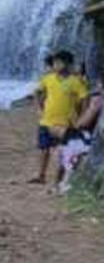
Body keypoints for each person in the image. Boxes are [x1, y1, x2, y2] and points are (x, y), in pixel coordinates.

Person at [32, 49, 88, 185]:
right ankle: (41, 176)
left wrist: (82, 117)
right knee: (44, 149)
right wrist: (39, 108)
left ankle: (58, 180)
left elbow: (84, 99)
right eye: (54, 63)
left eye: (59, 62)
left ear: (68, 64)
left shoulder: (76, 81)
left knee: (63, 151)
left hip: (65, 123)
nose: (55, 65)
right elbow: (37, 93)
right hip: (46, 121)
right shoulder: (47, 78)